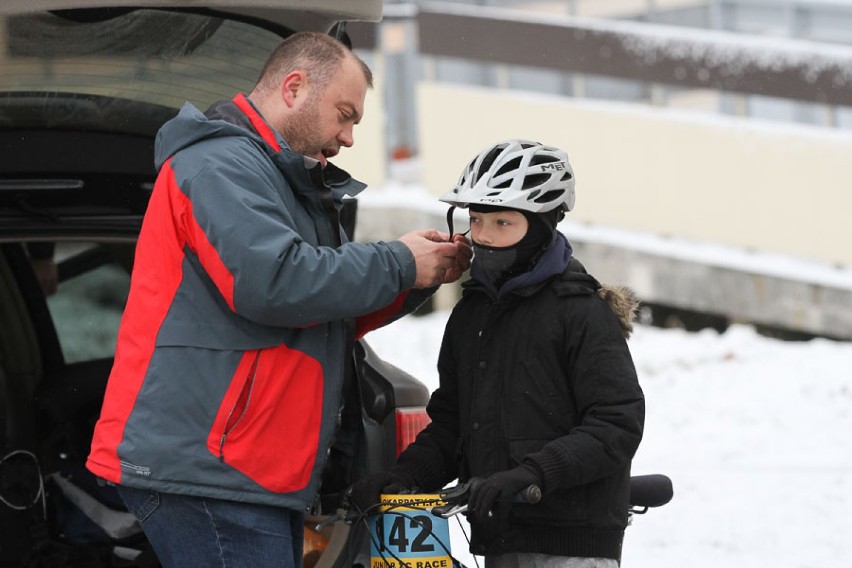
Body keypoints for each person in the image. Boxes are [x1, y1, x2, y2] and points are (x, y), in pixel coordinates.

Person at [86, 31, 471, 568]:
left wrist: (416, 276)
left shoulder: (276, 179)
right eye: (345, 114)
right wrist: (398, 262)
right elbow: (272, 282)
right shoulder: (219, 163)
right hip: (212, 470)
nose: (348, 137)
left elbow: (317, 309)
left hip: (240, 470)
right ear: (293, 88)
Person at [347, 139, 645, 567]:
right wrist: (403, 478)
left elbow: (617, 423)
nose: (483, 236)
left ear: (542, 227)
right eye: (476, 219)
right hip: (500, 539)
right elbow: (453, 423)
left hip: (572, 545)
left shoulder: (582, 312)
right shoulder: (472, 314)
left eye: (502, 222)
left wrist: (534, 474)